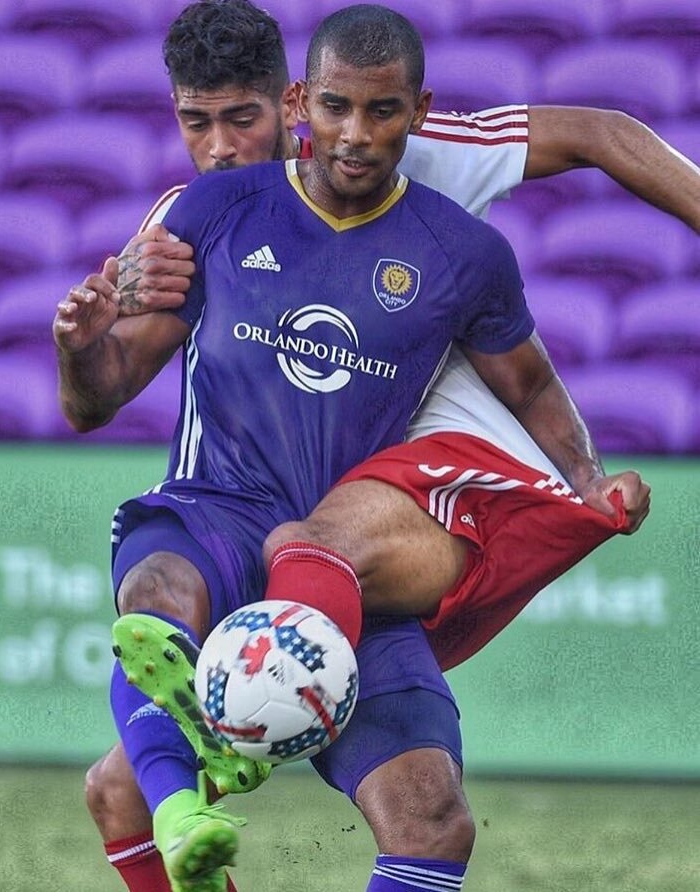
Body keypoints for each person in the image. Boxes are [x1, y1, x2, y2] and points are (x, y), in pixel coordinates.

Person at [54, 6, 654, 892]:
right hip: (218, 510)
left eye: (381, 111)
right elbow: (96, 396)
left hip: (348, 562)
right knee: (155, 597)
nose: (356, 134)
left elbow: (530, 385)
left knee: (433, 818)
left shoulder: (463, 253)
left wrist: (588, 477)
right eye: (336, 107)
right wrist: (78, 346)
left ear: (419, 111)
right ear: (304, 103)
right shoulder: (213, 211)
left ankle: (192, 762)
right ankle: (184, 807)